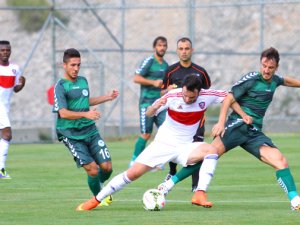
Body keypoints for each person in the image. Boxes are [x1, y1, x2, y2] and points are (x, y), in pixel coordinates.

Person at [75, 74, 247, 211]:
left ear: (199, 92)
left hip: (185, 147)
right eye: (185, 95)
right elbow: (149, 113)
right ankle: (95, 200)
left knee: (211, 151)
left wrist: (229, 119)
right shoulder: (173, 95)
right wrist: (156, 107)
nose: (187, 100)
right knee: (132, 174)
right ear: (183, 90)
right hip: (162, 144)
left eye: (191, 97)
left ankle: (200, 193)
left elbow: (229, 97)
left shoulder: (207, 95)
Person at [159, 47, 300, 210]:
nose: (266, 70)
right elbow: (228, 98)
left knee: (280, 161)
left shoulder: (274, 80)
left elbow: (286, 81)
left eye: (270, 67)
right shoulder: (251, 79)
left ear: (276, 67)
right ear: (260, 64)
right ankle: (166, 186)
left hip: (253, 132)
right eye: (264, 66)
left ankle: (295, 201)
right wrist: (220, 123)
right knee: (209, 155)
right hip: (237, 125)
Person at [53, 48, 119, 207]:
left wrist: (107, 97)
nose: (76, 69)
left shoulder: (83, 81)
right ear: (64, 65)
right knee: (93, 170)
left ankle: (98, 185)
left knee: (107, 168)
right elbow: (63, 113)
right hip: (71, 134)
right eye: (72, 65)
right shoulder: (61, 86)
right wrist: (85, 114)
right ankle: (99, 197)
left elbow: (84, 101)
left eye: (78, 65)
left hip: (90, 130)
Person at [161, 37, 211, 191]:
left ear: (192, 50)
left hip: (197, 120)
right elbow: (162, 91)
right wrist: (166, 91)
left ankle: (196, 186)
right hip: (177, 121)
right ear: (177, 51)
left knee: (198, 151)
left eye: (187, 48)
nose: (184, 51)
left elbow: (209, 93)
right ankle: (172, 171)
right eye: (181, 49)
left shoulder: (200, 72)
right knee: (174, 145)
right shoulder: (171, 71)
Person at [129, 36, 168, 167]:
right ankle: (134, 161)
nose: (162, 48)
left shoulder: (166, 65)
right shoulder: (149, 61)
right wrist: (153, 82)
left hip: (160, 105)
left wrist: (166, 90)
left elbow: (164, 86)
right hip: (147, 104)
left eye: (164, 46)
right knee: (146, 134)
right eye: (159, 45)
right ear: (154, 47)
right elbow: (136, 78)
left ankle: (157, 161)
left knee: (166, 133)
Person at [0, 40, 26, 179]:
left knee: (5, 135)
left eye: (7, 50)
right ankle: (1, 169)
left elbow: (15, 88)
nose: (5, 52)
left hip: (5, 106)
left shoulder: (15, 68)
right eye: (2, 50)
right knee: (7, 135)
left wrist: (22, 84)